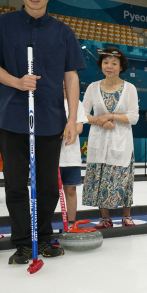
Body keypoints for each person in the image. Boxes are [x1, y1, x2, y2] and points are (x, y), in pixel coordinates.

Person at [0, 0, 86, 264]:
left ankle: (44, 236)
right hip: (13, 117)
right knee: (15, 184)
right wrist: (17, 82)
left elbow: (72, 77)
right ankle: (23, 242)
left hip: (51, 120)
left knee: (49, 186)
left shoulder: (63, 32)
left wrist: (72, 119)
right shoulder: (3, 24)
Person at [82, 47, 139, 228]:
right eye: (106, 62)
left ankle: (126, 216)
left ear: (121, 67)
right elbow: (82, 115)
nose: (109, 66)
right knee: (100, 179)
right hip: (99, 142)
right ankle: (105, 219)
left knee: (123, 179)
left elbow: (133, 117)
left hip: (121, 143)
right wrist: (99, 121)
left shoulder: (129, 88)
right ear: (101, 65)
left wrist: (111, 116)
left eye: (114, 63)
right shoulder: (93, 87)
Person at [59, 83, 88, 227]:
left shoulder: (77, 103)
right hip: (52, 158)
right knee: (49, 193)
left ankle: (71, 224)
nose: (64, 86)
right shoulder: (48, 102)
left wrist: (66, 133)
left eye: (66, 83)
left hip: (71, 157)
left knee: (71, 190)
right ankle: (43, 226)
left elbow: (79, 127)